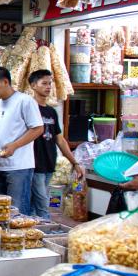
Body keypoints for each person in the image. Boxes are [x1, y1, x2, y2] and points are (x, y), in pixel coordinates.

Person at [0, 66, 44, 215]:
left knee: (17, 212)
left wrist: (15, 145)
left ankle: (21, 238)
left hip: (19, 167)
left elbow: (38, 129)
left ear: (5, 81)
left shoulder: (25, 101)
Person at [28, 69, 84, 219]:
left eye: (50, 83)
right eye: (44, 83)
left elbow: (60, 139)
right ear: (33, 85)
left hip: (49, 163)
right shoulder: (28, 109)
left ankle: (33, 232)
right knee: (42, 201)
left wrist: (74, 162)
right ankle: (47, 232)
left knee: (36, 202)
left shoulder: (51, 112)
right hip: (33, 163)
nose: (48, 87)